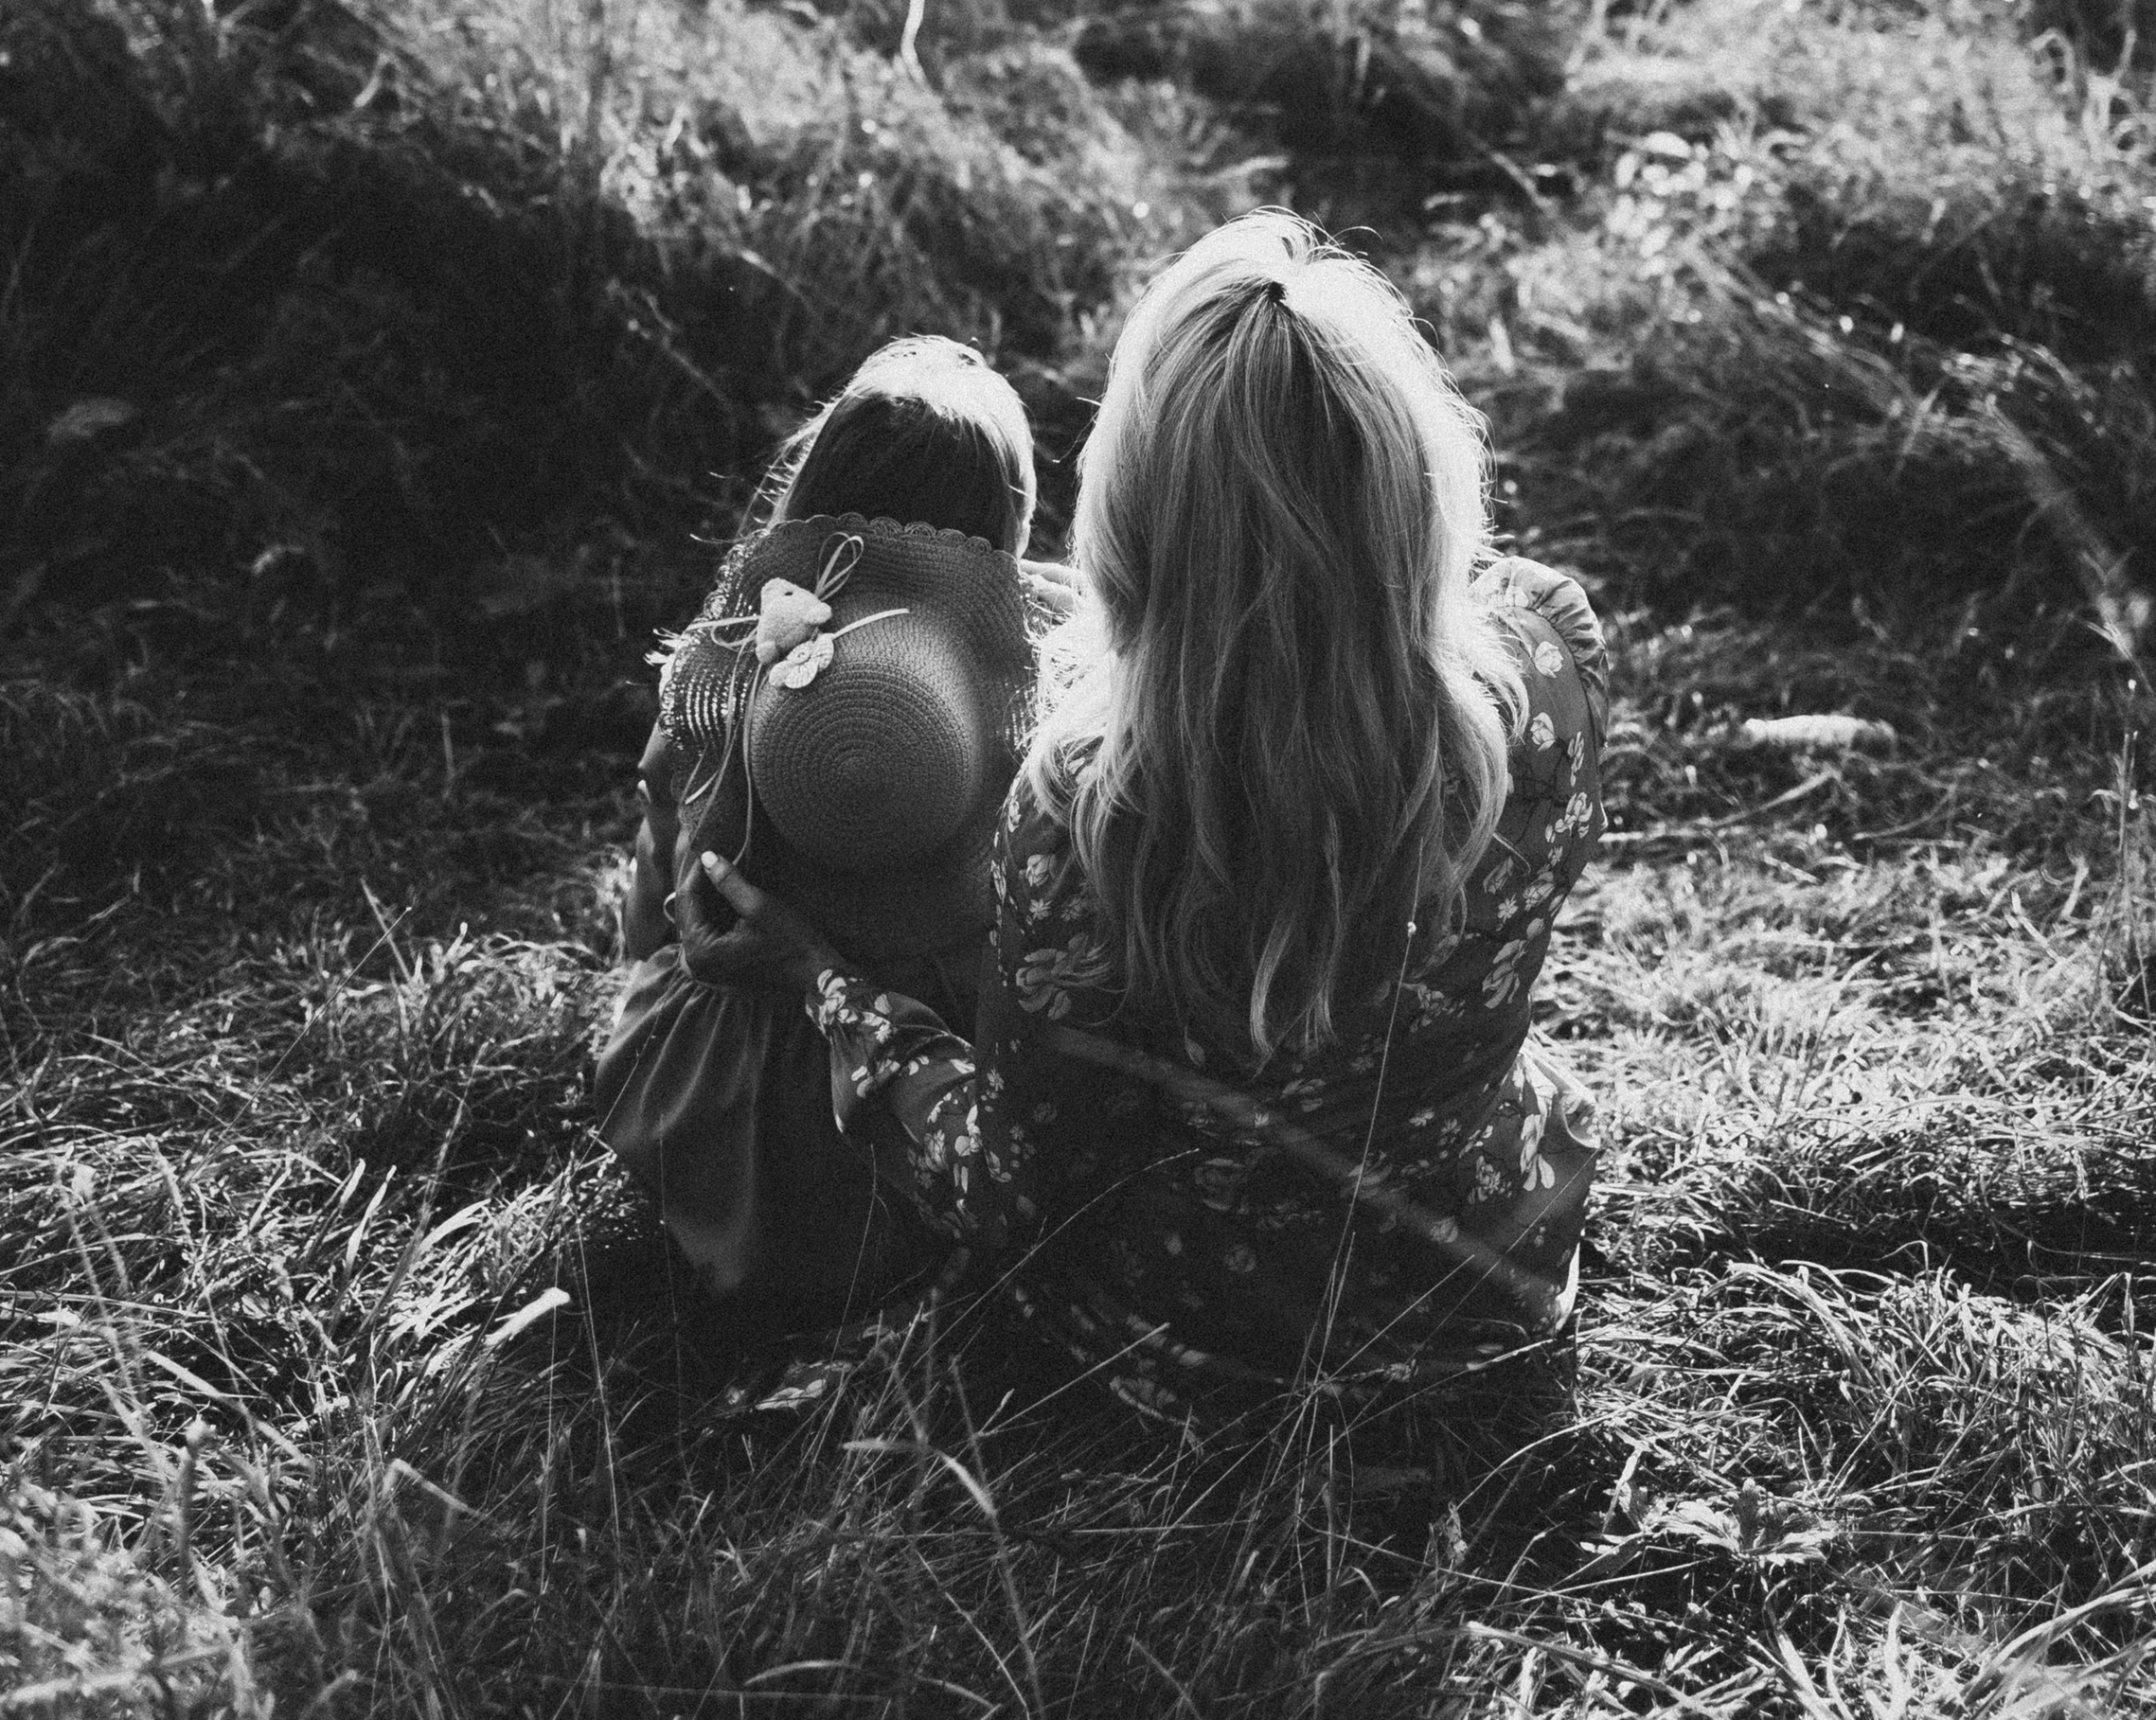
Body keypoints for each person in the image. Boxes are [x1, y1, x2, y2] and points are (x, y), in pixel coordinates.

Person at [684, 215, 1609, 1404]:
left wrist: (825, 986)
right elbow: (1344, 637)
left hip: (1215, 1349)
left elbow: (1002, 1192)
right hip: (1494, 1280)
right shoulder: (1552, 662)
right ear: (1417, 467)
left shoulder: (1091, 815)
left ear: (1134, 503)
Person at [593, 335, 1072, 1319]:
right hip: (900, 1139)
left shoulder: (727, 692)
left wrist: (656, 984)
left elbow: (651, 906)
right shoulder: (1008, 744)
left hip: (706, 1115)